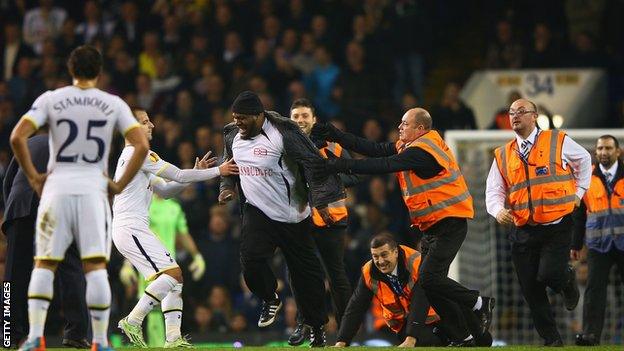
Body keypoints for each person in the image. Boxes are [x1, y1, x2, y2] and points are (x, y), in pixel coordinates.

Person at [312, 107, 494, 345]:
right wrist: (337, 135)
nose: (400, 127)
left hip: (450, 222)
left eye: (405, 124)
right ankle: (469, 338)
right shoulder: (411, 146)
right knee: (430, 287)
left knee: (428, 280)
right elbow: (374, 149)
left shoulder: (424, 152)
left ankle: (478, 303)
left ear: (420, 129)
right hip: (432, 226)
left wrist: (339, 165)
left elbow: (385, 164)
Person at [9, 45, 149, 351]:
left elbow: (17, 137)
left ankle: (34, 337)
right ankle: (99, 340)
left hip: (56, 188)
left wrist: (33, 176)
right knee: (95, 267)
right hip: (92, 190)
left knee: (44, 264)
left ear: (71, 69)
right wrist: (119, 184)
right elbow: (139, 144)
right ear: (99, 71)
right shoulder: (112, 103)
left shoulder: (51, 99)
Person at [218, 91, 346, 347]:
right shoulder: (232, 134)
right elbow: (229, 164)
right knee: (251, 259)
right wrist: (226, 187)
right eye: (235, 118)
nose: (238, 123)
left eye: (242, 118)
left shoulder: (283, 133)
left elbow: (312, 162)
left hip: (293, 214)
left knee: (307, 276)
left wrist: (320, 201)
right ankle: (270, 298)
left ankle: (318, 327)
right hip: (257, 211)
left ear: (259, 115)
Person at [113, 109, 237, 348]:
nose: (151, 125)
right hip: (131, 228)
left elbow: (167, 191)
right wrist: (217, 171)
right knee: (172, 275)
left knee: (175, 279)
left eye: (150, 120)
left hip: (133, 228)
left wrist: (196, 174)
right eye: (144, 122)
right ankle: (133, 320)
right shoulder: (138, 153)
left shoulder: (135, 157)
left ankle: (173, 339)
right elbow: (179, 175)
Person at [485, 98, 591, 346]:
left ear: (534, 116)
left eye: (521, 111)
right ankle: (552, 341)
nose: (515, 116)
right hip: (522, 230)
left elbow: (584, 159)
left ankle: (566, 280)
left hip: (557, 225)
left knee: (549, 274)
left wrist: (579, 192)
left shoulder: (557, 140)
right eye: (511, 112)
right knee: (531, 290)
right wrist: (498, 210)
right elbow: (494, 190)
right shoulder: (503, 154)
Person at [2, 131, 90, 349]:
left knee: (14, 273)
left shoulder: (28, 142)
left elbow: (8, 181)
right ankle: (76, 333)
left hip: (20, 207)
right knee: (71, 269)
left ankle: (8, 334)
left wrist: (12, 212)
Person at [334, 233, 493, 347]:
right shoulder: (369, 272)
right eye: (375, 256)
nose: (380, 261)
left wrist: (412, 337)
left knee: (483, 341)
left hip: (436, 313)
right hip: (406, 324)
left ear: (395, 252)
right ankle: (453, 339)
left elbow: (420, 300)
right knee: (426, 342)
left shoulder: (415, 262)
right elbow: (355, 308)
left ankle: (471, 331)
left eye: (384, 255)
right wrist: (342, 340)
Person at [287, 98, 359, 345]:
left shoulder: (332, 146)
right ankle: (304, 325)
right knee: (300, 274)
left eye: (304, 115)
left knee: (336, 276)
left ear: (314, 119)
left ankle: (345, 333)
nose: (300, 120)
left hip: (332, 220)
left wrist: (326, 179)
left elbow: (354, 175)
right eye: (295, 116)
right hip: (300, 219)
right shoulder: (285, 148)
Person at [571, 135, 624, 346]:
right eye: (600, 148)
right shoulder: (586, 177)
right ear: (595, 152)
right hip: (598, 245)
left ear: (618, 152)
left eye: (608, 148)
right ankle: (590, 335)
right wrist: (575, 244)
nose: (604, 152)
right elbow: (579, 214)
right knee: (594, 290)